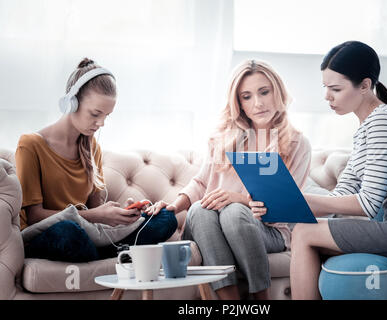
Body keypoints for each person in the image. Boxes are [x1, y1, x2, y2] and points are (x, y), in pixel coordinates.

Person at [250, 41, 387, 300]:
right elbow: (339, 197)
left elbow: (367, 204)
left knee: (305, 232)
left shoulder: (384, 121)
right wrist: (285, 204)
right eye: (325, 88)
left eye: (335, 89)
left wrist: (300, 201)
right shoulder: (365, 129)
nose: (327, 96)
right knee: (305, 230)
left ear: (364, 85)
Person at [145, 59, 311, 300]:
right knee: (201, 209)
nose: (258, 103)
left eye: (264, 92)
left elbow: (286, 205)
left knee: (233, 211)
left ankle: (260, 300)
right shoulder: (223, 138)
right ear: (238, 103)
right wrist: (173, 206)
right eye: (247, 96)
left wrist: (239, 200)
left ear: (278, 91)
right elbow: (201, 182)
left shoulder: (297, 143)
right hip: (210, 226)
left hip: (269, 231)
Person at [16, 58, 177, 263]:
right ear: (71, 102)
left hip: (88, 232)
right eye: (95, 114)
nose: (100, 123)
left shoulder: (92, 148)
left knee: (165, 218)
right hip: (49, 234)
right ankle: (118, 255)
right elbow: (34, 217)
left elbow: (96, 211)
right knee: (68, 232)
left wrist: (121, 213)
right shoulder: (30, 145)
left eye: (106, 116)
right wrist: (98, 216)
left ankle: (108, 255)